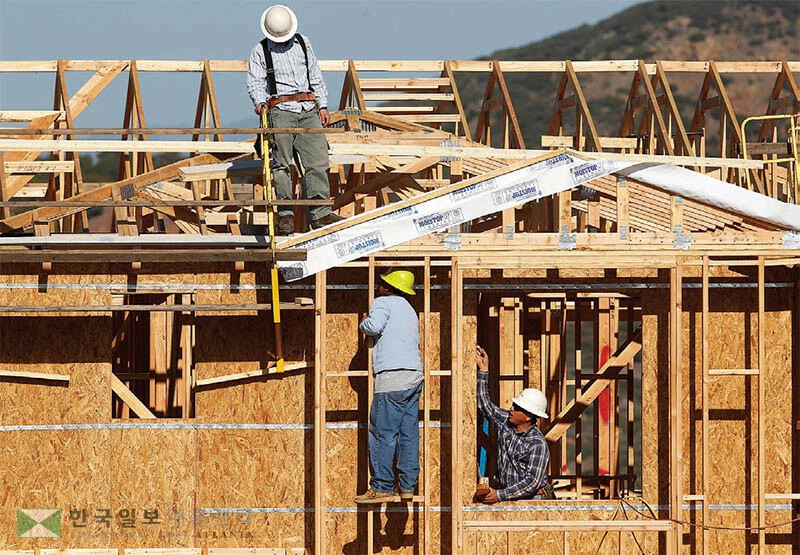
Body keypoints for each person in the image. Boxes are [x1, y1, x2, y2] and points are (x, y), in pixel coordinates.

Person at [246, 4, 343, 235]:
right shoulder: (260, 51)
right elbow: (255, 82)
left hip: (308, 108)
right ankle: (286, 215)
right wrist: (260, 105)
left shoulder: (303, 43)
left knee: (317, 162)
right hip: (280, 110)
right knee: (281, 164)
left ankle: (320, 213)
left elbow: (315, 74)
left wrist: (323, 105)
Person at [354, 270, 424, 504]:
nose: (379, 286)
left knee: (382, 433)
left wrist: (363, 322)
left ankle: (382, 486)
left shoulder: (383, 302)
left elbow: (373, 326)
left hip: (391, 378)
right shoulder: (409, 309)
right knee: (408, 434)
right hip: (413, 376)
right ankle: (407, 486)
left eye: (382, 283)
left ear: (388, 287)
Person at [475, 345, 554, 503]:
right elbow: (485, 406)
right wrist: (484, 371)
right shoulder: (506, 422)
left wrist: (499, 495)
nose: (511, 409)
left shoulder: (536, 444)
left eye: (517, 408)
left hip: (533, 499)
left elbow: (532, 482)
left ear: (528, 416)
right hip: (510, 496)